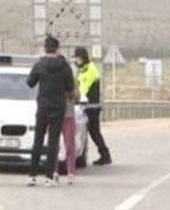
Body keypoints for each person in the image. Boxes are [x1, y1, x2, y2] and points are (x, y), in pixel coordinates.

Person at [26, 35, 75, 186]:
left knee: (38, 140)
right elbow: (70, 87)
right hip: (58, 106)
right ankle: (49, 177)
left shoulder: (39, 65)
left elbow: (30, 83)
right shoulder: (65, 66)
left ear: (45, 49)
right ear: (58, 49)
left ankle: (32, 175)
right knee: (53, 142)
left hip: (43, 106)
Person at [74, 46, 112, 165]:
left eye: (78, 58)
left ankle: (105, 155)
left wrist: (77, 98)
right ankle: (104, 155)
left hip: (91, 106)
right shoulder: (82, 69)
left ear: (83, 57)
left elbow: (83, 89)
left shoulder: (90, 69)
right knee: (90, 131)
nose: (76, 60)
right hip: (86, 105)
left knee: (94, 131)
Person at [55, 83, 81, 184]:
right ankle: (53, 172)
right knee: (53, 145)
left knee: (70, 145)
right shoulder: (52, 76)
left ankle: (70, 173)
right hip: (54, 114)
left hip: (68, 114)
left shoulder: (70, 78)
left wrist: (70, 92)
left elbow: (77, 97)